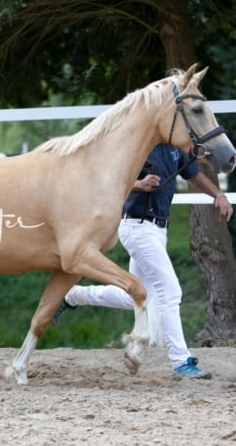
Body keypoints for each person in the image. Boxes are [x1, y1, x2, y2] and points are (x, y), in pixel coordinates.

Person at [53, 144, 233, 379]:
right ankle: (181, 361)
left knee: (138, 297)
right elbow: (105, 183)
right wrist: (138, 185)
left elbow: (193, 175)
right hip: (138, 228)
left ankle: (71, 295)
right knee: (170, 292)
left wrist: (218, 195)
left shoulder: (175, 148)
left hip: (159, 230)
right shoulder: (138, 146)